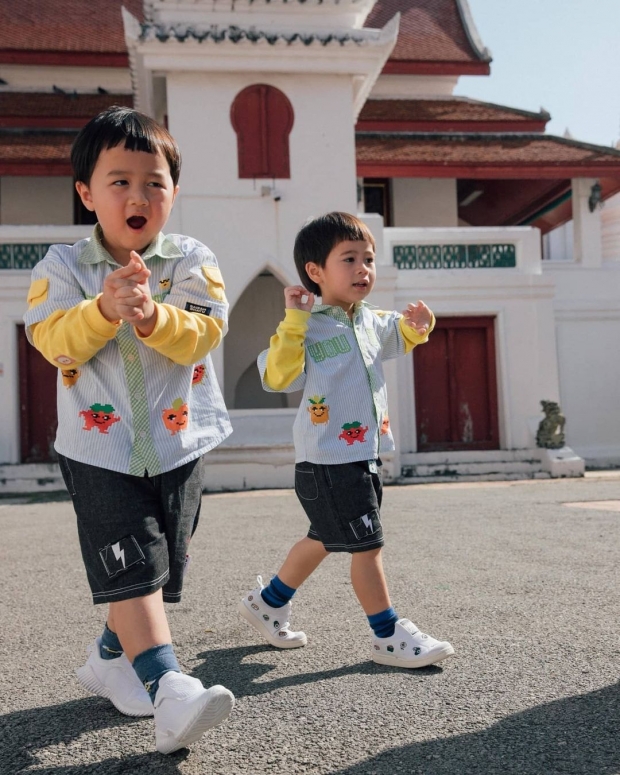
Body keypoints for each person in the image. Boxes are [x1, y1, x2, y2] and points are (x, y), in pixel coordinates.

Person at [24, 107, 234, 754]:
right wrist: (101, 309)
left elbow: (207, 329)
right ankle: (170, 688)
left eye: (155, 181)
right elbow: (51, 339)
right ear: (86, 192)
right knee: (136, 566)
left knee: (159, 568)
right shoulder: (61, 267)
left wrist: (152, 317)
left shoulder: (194, 260)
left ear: (173, 192)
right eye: (119, 181)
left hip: (181, 443)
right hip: (99, 451)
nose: (138, 195)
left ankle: (110, 655)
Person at [239, 212, 454, 669]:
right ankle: (387, 635)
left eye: (369, 259)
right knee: (367, 546)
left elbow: (402, 336)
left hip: (365, 454)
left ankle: (269, 602)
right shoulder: (304, 327)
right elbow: (277, 377)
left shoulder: (373, 322)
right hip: (327, 460)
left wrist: (420, 326)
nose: (364, 269)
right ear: (315, 272)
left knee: (324, 537)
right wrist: (294, 321)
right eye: (349, 258)